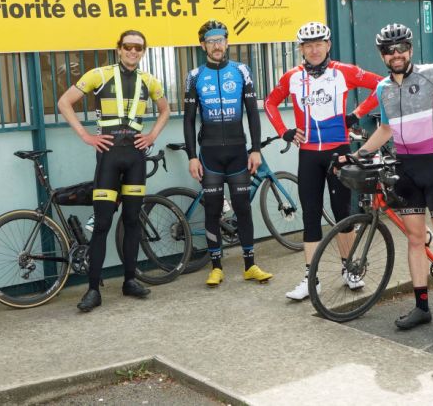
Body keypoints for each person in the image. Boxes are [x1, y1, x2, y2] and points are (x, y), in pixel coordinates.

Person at [264, 21, 382, 300]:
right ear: (301, 49)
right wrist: (284, 131)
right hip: (308, 155)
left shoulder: (344, 71)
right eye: (308, 45)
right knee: (310, 215)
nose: (314, 50)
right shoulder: (292, 76)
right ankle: (311, 278)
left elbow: (381, 85)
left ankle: (349, 269)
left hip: (337, 151)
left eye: (319, 44)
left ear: (328, 45)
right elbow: (270, 103)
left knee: (343, 212)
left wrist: (356, 114)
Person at [58, 30, 170, 312]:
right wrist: (86, 136)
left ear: (143, 52)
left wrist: (152, 135)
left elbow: (165, 110)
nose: (133, 51)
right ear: (119, 49)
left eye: (138, 48)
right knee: (103, 223)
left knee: (132, 221)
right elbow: (64, 102)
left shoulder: (149, 80)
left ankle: (129, 281)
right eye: (128, 46)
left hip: (135, 158)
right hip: (108, 158)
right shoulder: (99, 74)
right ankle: (93, 290)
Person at [347, 23, 433, 329]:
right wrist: (358, 155)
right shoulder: (383, 88)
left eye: (402, 48)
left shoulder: (432, 74)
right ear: (382, 55)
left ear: (411, 49)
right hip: (405, 168)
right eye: (389, 51)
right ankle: (422, 308)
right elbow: (386, 129)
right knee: (415, 240)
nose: (396, 54)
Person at [183, 19, 272, 287]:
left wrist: (255, 149)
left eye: (220, 40)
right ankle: (216, 267)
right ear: (203, 46)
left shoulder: (241, 71)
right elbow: (188, 120)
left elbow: (253, 113)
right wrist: (192, 156)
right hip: (209, 155)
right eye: (211, 41)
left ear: (227, 42)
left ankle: (250, 265)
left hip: (237, 153)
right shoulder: (195, 75)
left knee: (243, 208)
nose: (216, 45)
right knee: (212, 210)